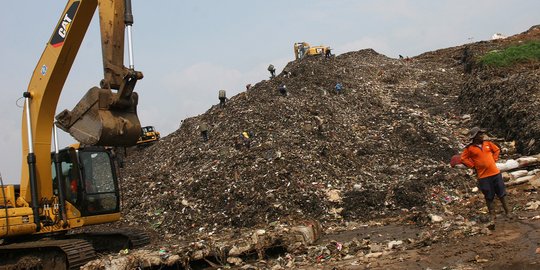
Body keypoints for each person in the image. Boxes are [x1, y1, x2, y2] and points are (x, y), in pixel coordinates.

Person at [460, 127, 511, 228]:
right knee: (488, 195)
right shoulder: (469, 148)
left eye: (482, 134)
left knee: (502, 193)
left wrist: (494, 159)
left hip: (495, 173)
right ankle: (492, 214)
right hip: (483, 176)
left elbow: (496, 150)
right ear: (474, 137)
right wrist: (472, 165)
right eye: (480, 134)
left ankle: (508, 212)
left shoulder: (488, 144)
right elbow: (463, 158)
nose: (482, 136)